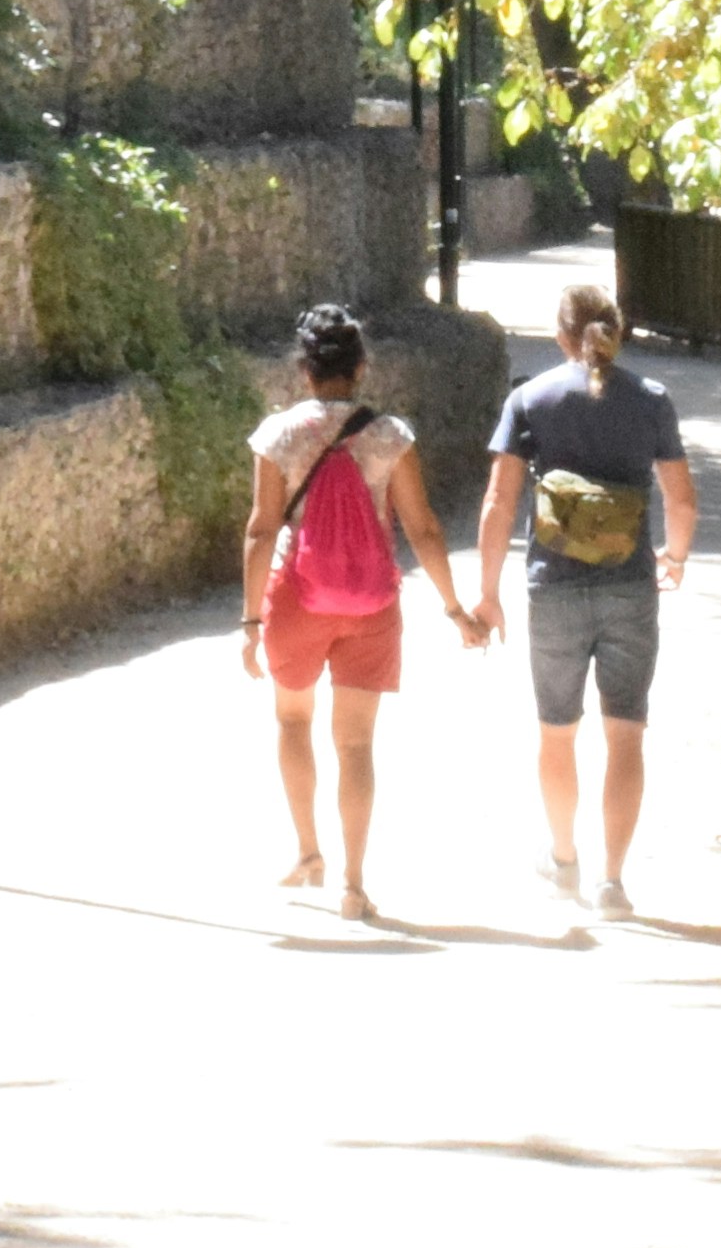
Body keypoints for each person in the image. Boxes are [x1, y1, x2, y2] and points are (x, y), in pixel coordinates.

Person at [237, 304, 470, 921]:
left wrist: (250, 623)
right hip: (372, 603)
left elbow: (262, 531)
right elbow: (422, 528)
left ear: (304, 371)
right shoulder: (391, 437)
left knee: (292, 722)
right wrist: (454, 609)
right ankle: (354, 884)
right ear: (361, 367)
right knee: (358, 745)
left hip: (296, 597)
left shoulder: (278, 436)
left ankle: (309, 853)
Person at [472, 279, 694, 913]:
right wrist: (673, 558)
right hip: (629, 585)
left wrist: (488, 594)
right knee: (626, 735)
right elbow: (681, 498)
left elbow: (497, 502)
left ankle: (564, 858)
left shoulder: (529, 399)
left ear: (561, 335)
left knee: (557, 733)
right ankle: (612, 881)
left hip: (555, 587)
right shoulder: (651, 400)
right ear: (615, 332)